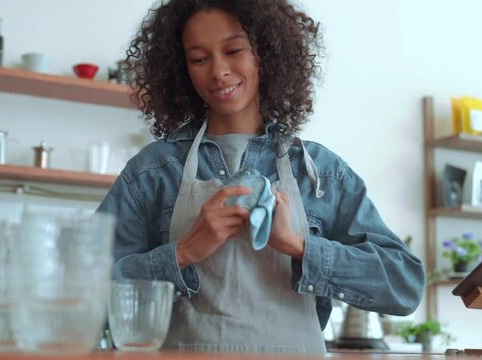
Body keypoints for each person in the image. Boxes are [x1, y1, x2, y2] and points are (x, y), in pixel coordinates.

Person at [97, 0, 425, 354]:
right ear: (181, 69)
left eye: (234, 50)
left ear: (266, 53)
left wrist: (299, 246)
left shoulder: (320, 173)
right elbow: (88, 289)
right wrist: (183, 253)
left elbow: (404, 285)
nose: (218, 71)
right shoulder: (153, 173)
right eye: (198, 59)